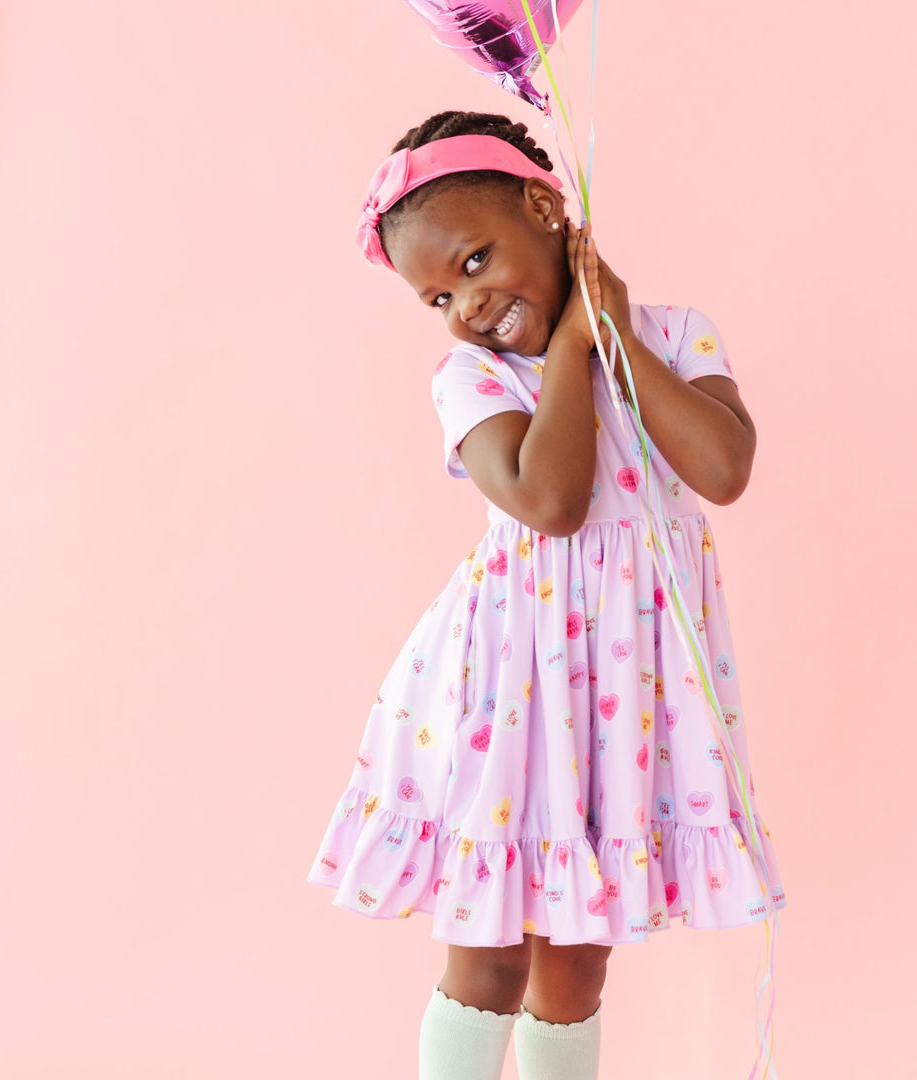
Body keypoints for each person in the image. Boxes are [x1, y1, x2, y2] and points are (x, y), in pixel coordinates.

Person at [306, 110, 787, 1080]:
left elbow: (724, 466)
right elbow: (551, 500)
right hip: (513, 688)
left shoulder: (677, 336)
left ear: (543, 206)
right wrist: (568, 351)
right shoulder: (474, 377)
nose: (465, 305)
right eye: (437, 295)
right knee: (488, 950)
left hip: (626, 690)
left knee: (575, 960)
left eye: (476, 262)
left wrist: (610, 333)